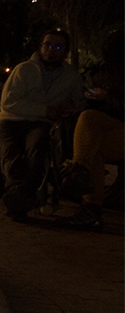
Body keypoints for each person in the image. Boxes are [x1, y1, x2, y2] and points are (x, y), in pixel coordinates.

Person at [0, 29, 84, 220]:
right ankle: (20, 195)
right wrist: (46, 110)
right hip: (10, 121)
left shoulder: (72, 77)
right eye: (47, 45)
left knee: (37, 149)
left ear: (65, 51)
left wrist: (70, 108)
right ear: (40, 47)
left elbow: (79, 102)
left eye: (58, 47)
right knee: (11, 153)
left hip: (41, 124)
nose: (51, 50)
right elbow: (9, 102)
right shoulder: (24, 70)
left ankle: (19, 198)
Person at [60, 29, 121, 230]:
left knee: (91, 141)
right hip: (117, 128)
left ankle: (79, 174)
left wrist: (108, 97)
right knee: (90, 135)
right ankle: (82, 177)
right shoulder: (109, 75)